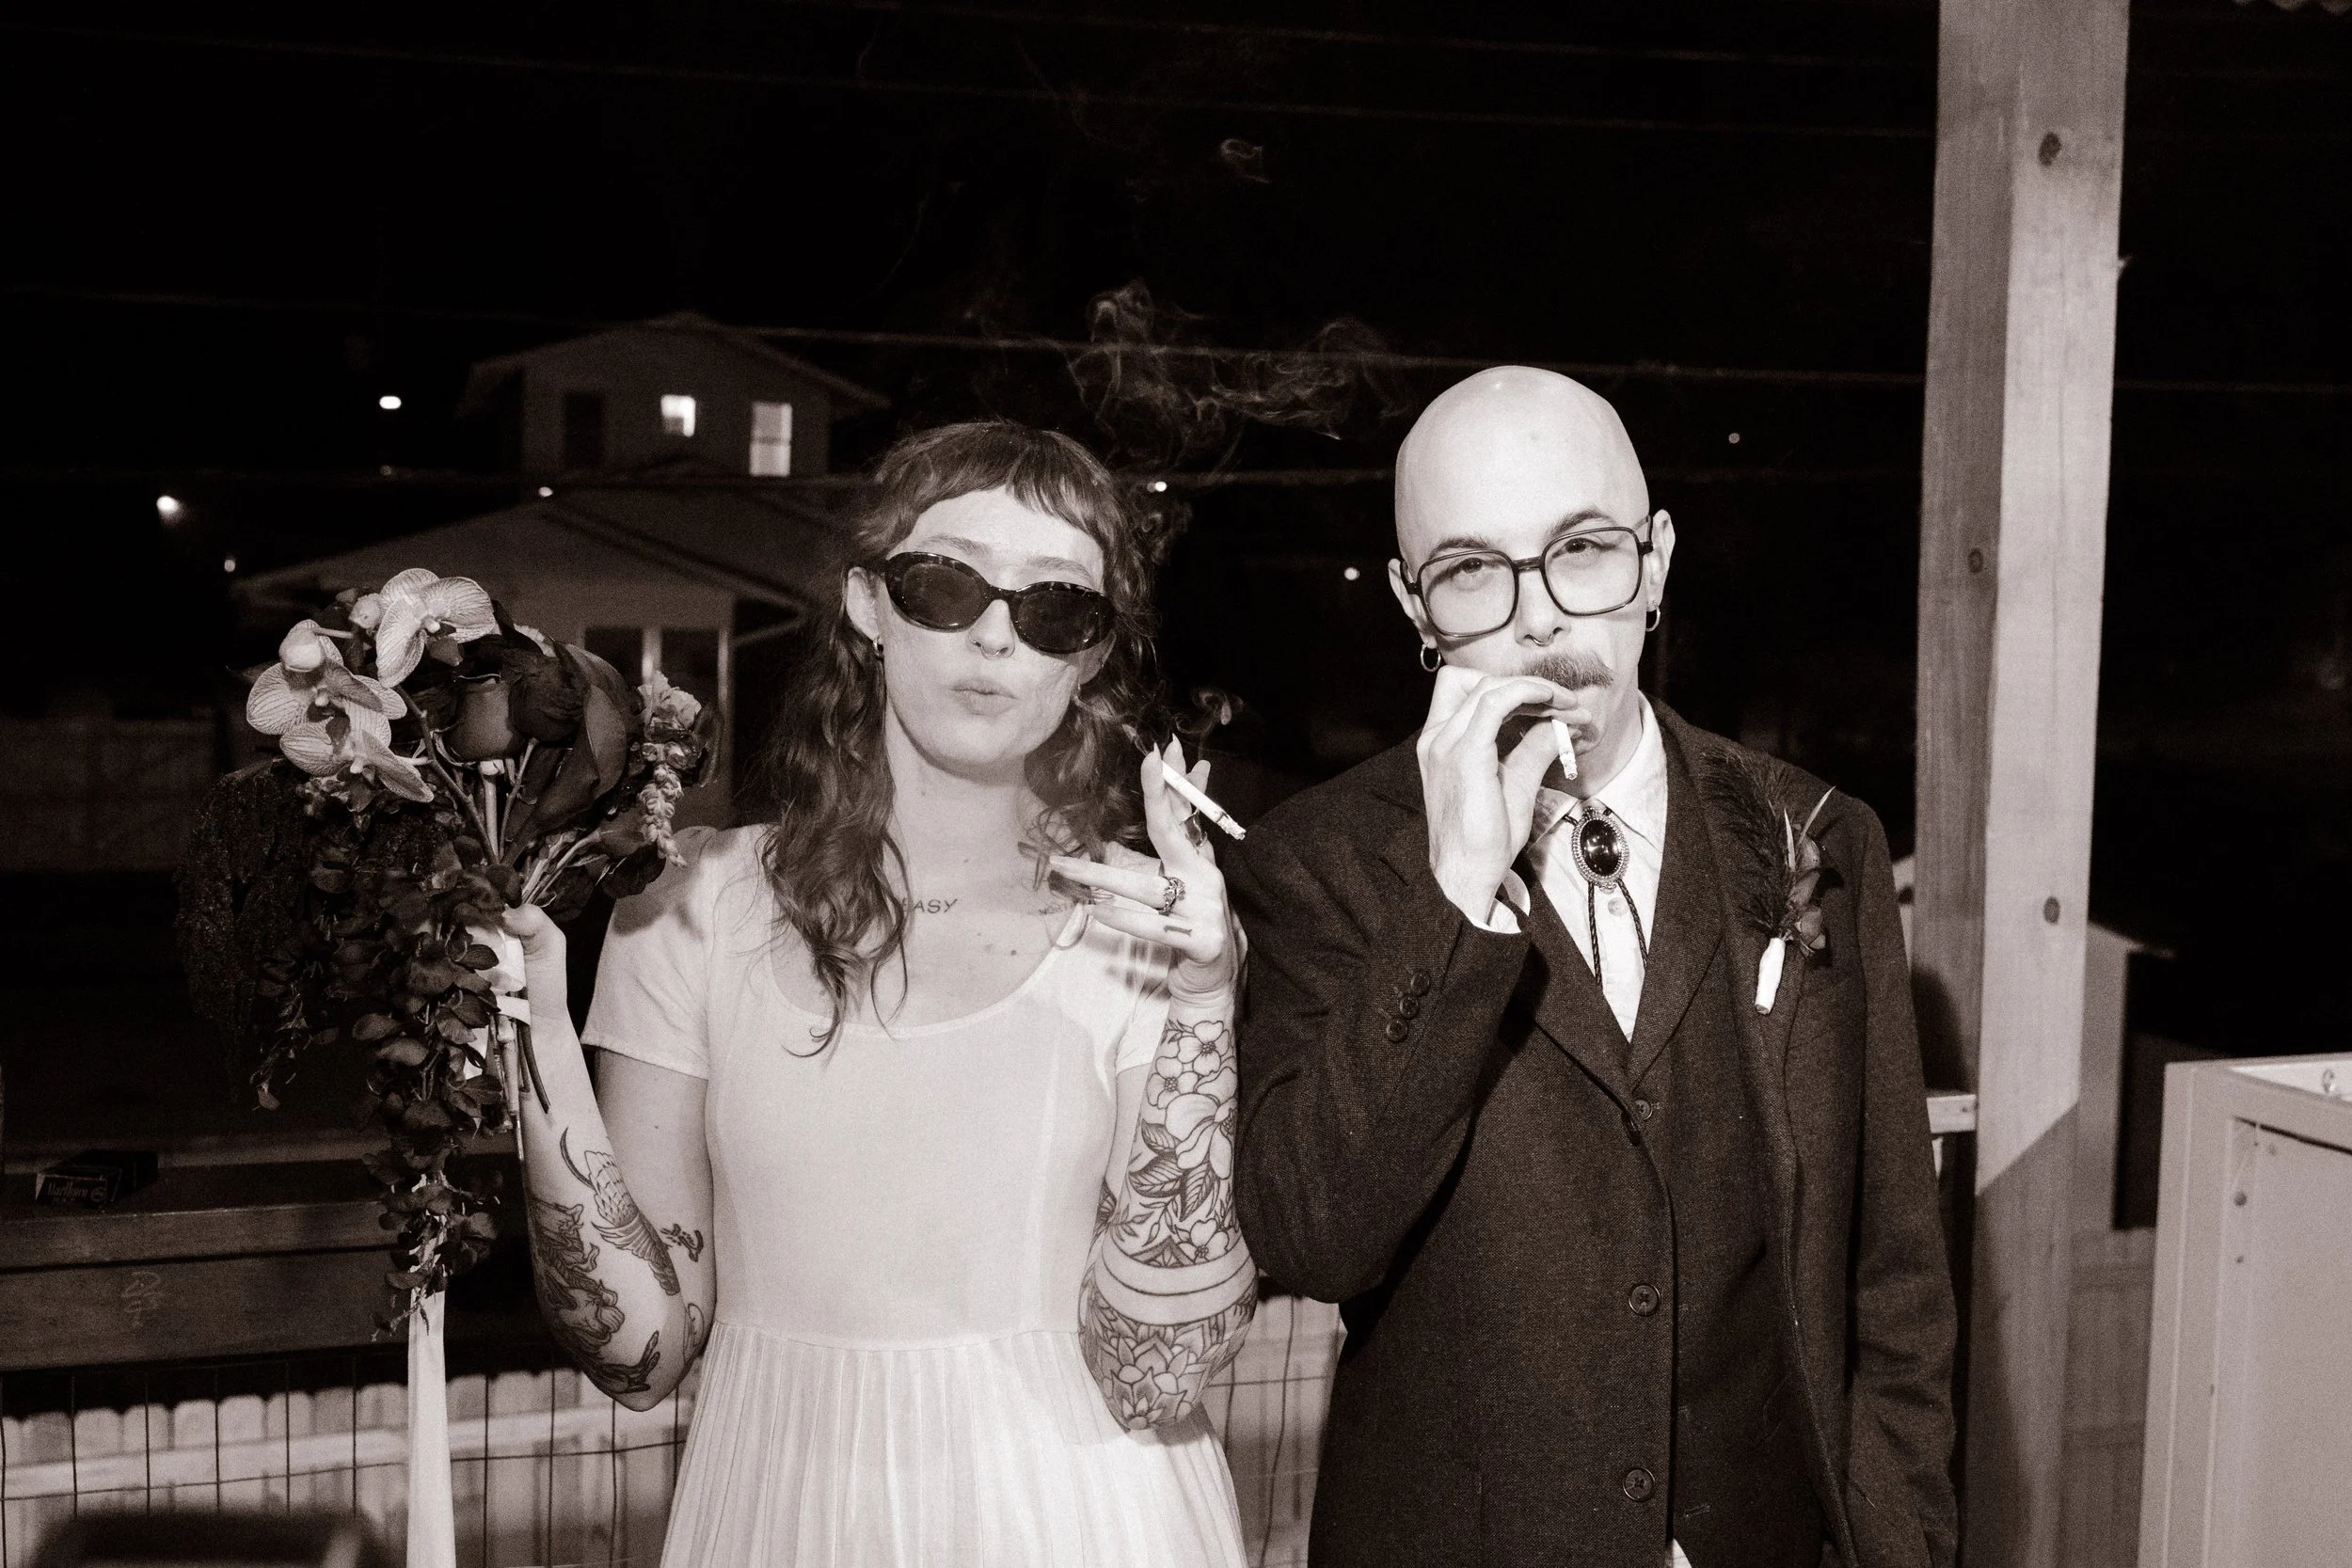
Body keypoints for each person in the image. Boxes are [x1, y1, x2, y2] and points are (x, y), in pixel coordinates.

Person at [1227, 367, 1957, 1568]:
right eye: (1474, 569)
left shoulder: (1820, 836)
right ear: (1415, 606)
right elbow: (1311, 1238)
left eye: (1582, 549)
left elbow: (1895, 1279)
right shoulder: (1317, 861)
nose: (1540, 619)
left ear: (1654, 562)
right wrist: (1454, 893)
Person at [496, 420, 1256, 1568]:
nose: (994, 635)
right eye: (945, 585)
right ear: (867, 604)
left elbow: (1159, 1374)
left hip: (1084, 1517)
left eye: (1054, 607)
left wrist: (1203, 993)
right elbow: (638, 1355)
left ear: (1091, 654)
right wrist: (538, 1034)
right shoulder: (690, 901)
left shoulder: (1147, 922)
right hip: (779, 1512)